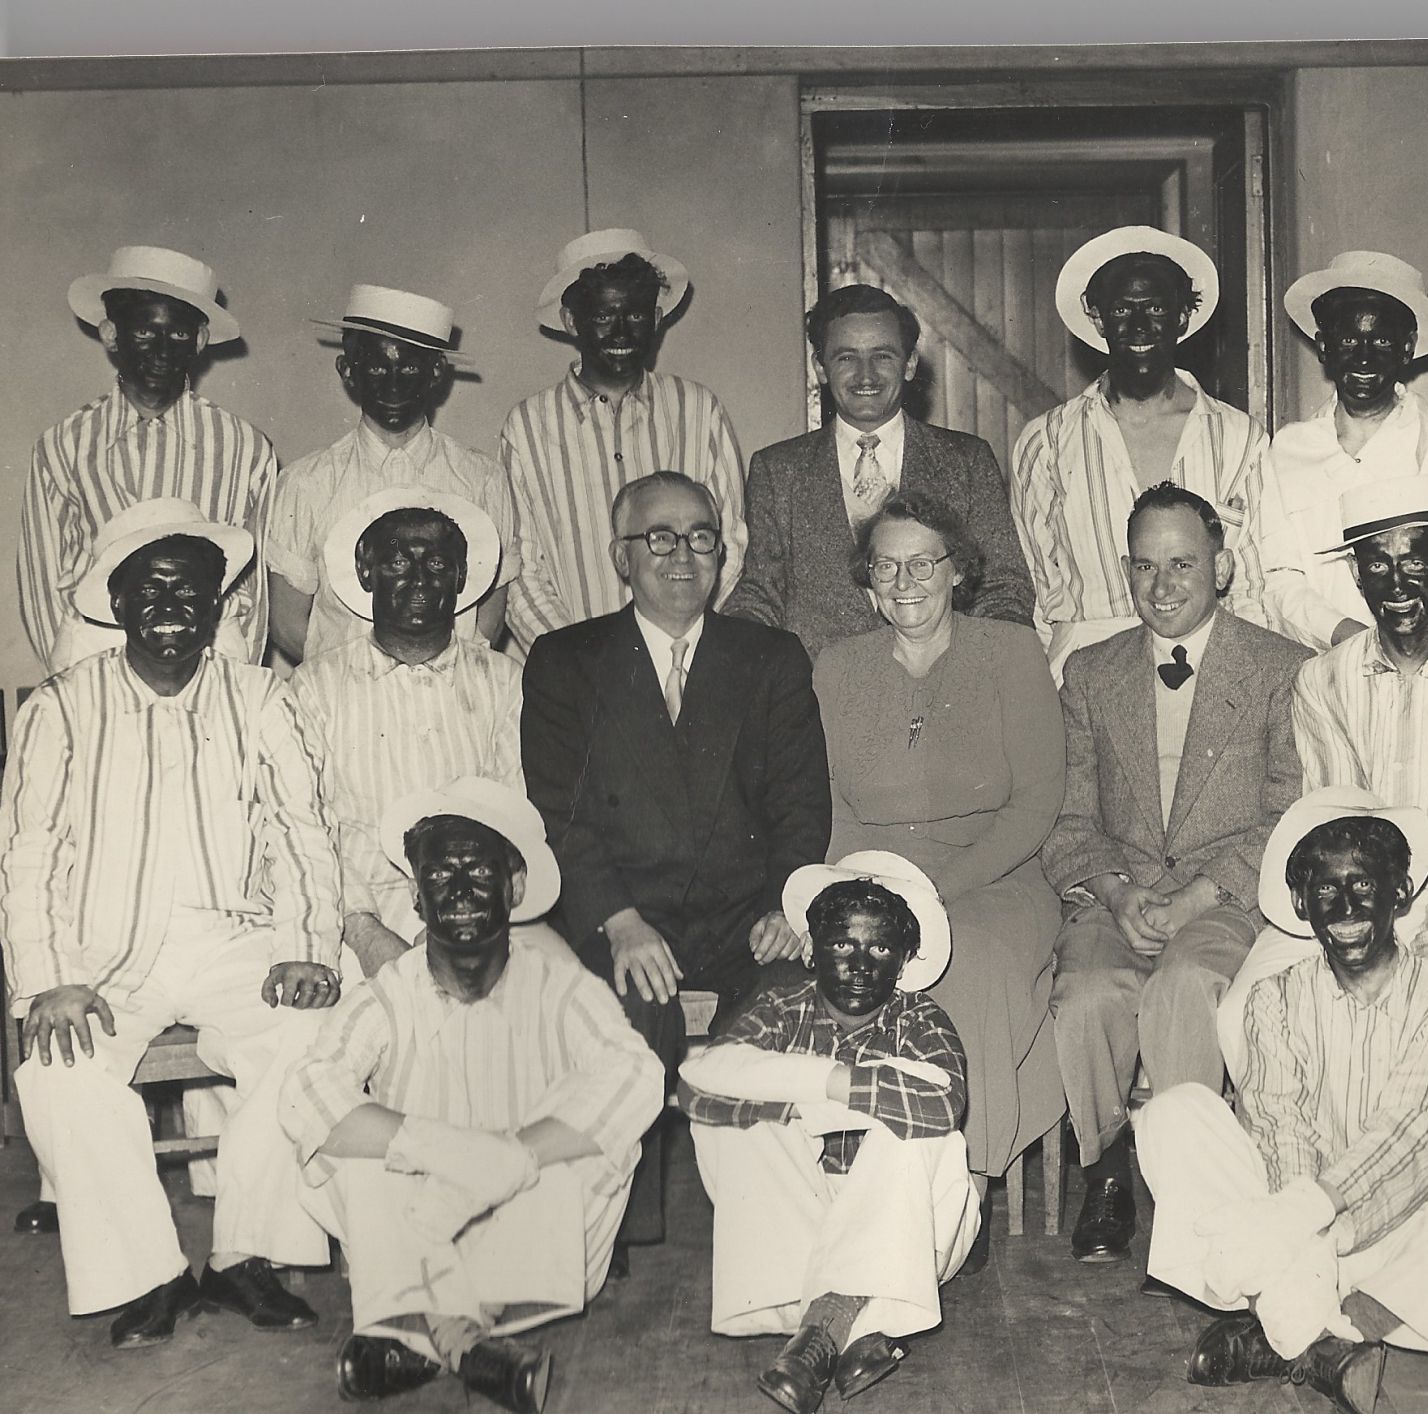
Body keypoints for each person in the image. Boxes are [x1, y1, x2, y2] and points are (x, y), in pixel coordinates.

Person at [0, 500, 339, 1349]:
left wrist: (305, 946)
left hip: (235, 938)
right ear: (114, 607)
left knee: (314, 1035)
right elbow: (27, 855)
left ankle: (245, 1254)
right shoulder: (61, 707)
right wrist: (45, 981)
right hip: (103, 956)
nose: (172, 605)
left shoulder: (261, 696)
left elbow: (303, 833)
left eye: (191, 590)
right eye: (148, 590)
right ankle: (146, 1273)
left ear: (218, 607)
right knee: (55, 1072)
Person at [1134, 788, 1428, 1409]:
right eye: (1325, 890)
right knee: (1172, 1113)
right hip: (1293, 1231)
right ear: (1301, 904)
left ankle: (1316, 1322)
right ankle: (1327, 1346)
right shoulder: (1274, 998)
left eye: (1364, 884)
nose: (1346, 908)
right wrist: (1301, 1230)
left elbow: (1413, 1135)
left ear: (1401, 892)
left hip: (1396, 1228)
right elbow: (1282, 1126)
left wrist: (1308, 1220)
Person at [522, 470, 831, 1267]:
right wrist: (619, 923)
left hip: (742, 918)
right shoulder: (566, 661)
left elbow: (801, 804)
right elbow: (560, 816)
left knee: (789, 1017)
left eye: (701, 537)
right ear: (621, 556)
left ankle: (774, 1228)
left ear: (723, 554)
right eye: (658, 538)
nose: (682, 555)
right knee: (626, 1021)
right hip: (624, 917)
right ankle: (613, 1228)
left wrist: (786, 903)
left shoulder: (768, 658)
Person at [283, 777, 663, 1414]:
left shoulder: (560, 984)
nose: (458, 892)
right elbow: (306, 1091)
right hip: (422, 1221)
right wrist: (444, 1149)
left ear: (513, 888)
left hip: (529, 1232)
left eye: (479, 872)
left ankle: (413, 1333)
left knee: (595, 1102)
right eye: (440, 875)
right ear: (415, 893)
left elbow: (637, 1077)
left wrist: (510, 1158)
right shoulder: (390, 990)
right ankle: (465, 1343)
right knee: (345, 1146)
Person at [1220, 476, 1428, 1154]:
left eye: (1415, 558)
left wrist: (1414, 958)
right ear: (1357, 578)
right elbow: (1342, 832)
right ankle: (1303, 1190)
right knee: (1242, 1008)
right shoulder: (1324, 681)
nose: (1397, 580)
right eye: (1377, 562)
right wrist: (1364, 942)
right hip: (1351, 909)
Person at [1043, 482, 1310, 1264]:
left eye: (1183, 564)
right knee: (1088, 992)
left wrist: (1200, 893)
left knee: (1184, 989)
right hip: (1117, 895)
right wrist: (1116, 892)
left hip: (1226, 894)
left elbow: (1287, 810)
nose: (1162, 587)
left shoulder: (1281, 668)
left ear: (1221, 569)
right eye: (1144, 567)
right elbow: (1068, 817)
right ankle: (1108, 1166)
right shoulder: (1090, 673)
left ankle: (1192, 1187)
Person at [811, 490, 1065, 1248]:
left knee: (972, 962)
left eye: (924, 562)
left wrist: (932, 896)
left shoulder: (1012, 653)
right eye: (886, 566)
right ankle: (852, 1177)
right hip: (872, 878)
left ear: (959, 571)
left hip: (996, 877)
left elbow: (1036, 804)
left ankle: (964, 1190)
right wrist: (862, 889)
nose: (905, 580)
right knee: (844, 959)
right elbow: (828, 805)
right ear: (866, 580)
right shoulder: (837, 666)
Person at [681, 852, 977, 1414]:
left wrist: (804, 1093)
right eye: (842, 944)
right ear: (812, 950)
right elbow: (699, 1088)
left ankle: (822, 1328)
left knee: (917, 1134)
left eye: (881, 948)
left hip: (910, 1231)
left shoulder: (920, 1019)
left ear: (905, 959)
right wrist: (829, 1087)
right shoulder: (781, 1007)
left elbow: (941, 1103)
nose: (860, 964)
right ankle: (862, 1329)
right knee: (735, 1125)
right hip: (803, 1227)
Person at [1009, 226, 1273, 676]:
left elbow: (1253, 588)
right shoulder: (1047, 442)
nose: (1138, 327)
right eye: (1120, 310)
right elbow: (1033, 588)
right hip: (1085, 674)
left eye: (1155, 308)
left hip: (1210, 667)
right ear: (1097, 320)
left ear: (1183, 318)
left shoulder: (1239, 437)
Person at [290, 487, 525, 977]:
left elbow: (514, 820)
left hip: (471, 917)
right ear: (365, 572)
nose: (418, 580)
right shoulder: (316, 685)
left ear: (461, 577)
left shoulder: (505, 682)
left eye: (437, 565)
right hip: (348, 921)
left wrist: (450, 930)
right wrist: (365, 933)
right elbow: (304, 826)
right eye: (396, 564)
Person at [729, 283, 1035, 657]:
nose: (866, 376)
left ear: (909, 365)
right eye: (845, 358)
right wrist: (735, 651)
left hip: (943, 692)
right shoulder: (778, 471)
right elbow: (761, 592)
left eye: (883, 356)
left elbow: (1003, 585)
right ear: (820, 368)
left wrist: (980, 666)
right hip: (816, 697)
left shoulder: (966, 461)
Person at [20, 244, 273, 675]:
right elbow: (42, 584)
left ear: (199, 340)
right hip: (96, 654)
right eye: (144, 332)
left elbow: (254, 591)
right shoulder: (62, 446)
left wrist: (234, 682)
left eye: (177, 334)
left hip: (209, 655)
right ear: (111, 334)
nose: (161, 349)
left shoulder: (244, 447)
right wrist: (73, 681)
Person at [502, 228, 747, 647]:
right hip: (577, 679)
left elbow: (731, 545)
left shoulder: (699, 409)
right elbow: (523, 573)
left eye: (634, 315)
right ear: (570, 321)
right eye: (602, 316)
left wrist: (681, 641)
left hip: (683, 660)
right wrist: (581, 663)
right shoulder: (527, 427)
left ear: (654, 319)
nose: (620, 332)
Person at [265, 283, 517, 664]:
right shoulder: (306, 483)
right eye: (377, 366)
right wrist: (348, 685)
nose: (394, 383)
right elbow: (286, 622)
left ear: (436, 372)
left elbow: (489, 616)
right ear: (347, 371)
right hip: (343, 705)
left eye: (410, 367)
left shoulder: (482, 478)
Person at [1263, 250, 1428, 650]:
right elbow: (1280, 576)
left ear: (1407, 349)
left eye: (1382, 340)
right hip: (1320, 665)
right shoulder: (1288, 449)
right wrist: (1351, 640)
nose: (1364, 356)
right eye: (1348, 339)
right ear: (1323, 347)